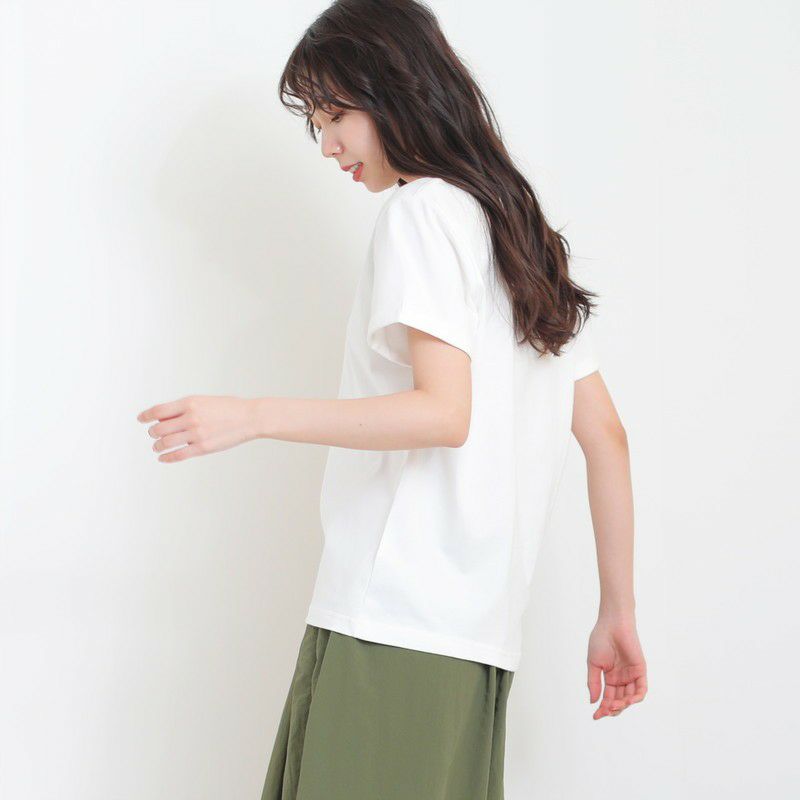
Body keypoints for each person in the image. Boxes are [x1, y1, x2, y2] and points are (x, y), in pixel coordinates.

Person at [136, 0, 647, 797]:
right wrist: (618, 611)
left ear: (398, 90)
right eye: (315, 123)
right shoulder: (522, 235)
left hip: (391, 626)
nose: (327, 145)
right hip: (478, 644)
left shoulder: (422, 211)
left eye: (337, 114)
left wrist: (252, 416)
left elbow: (444, 413)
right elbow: (606, 436)